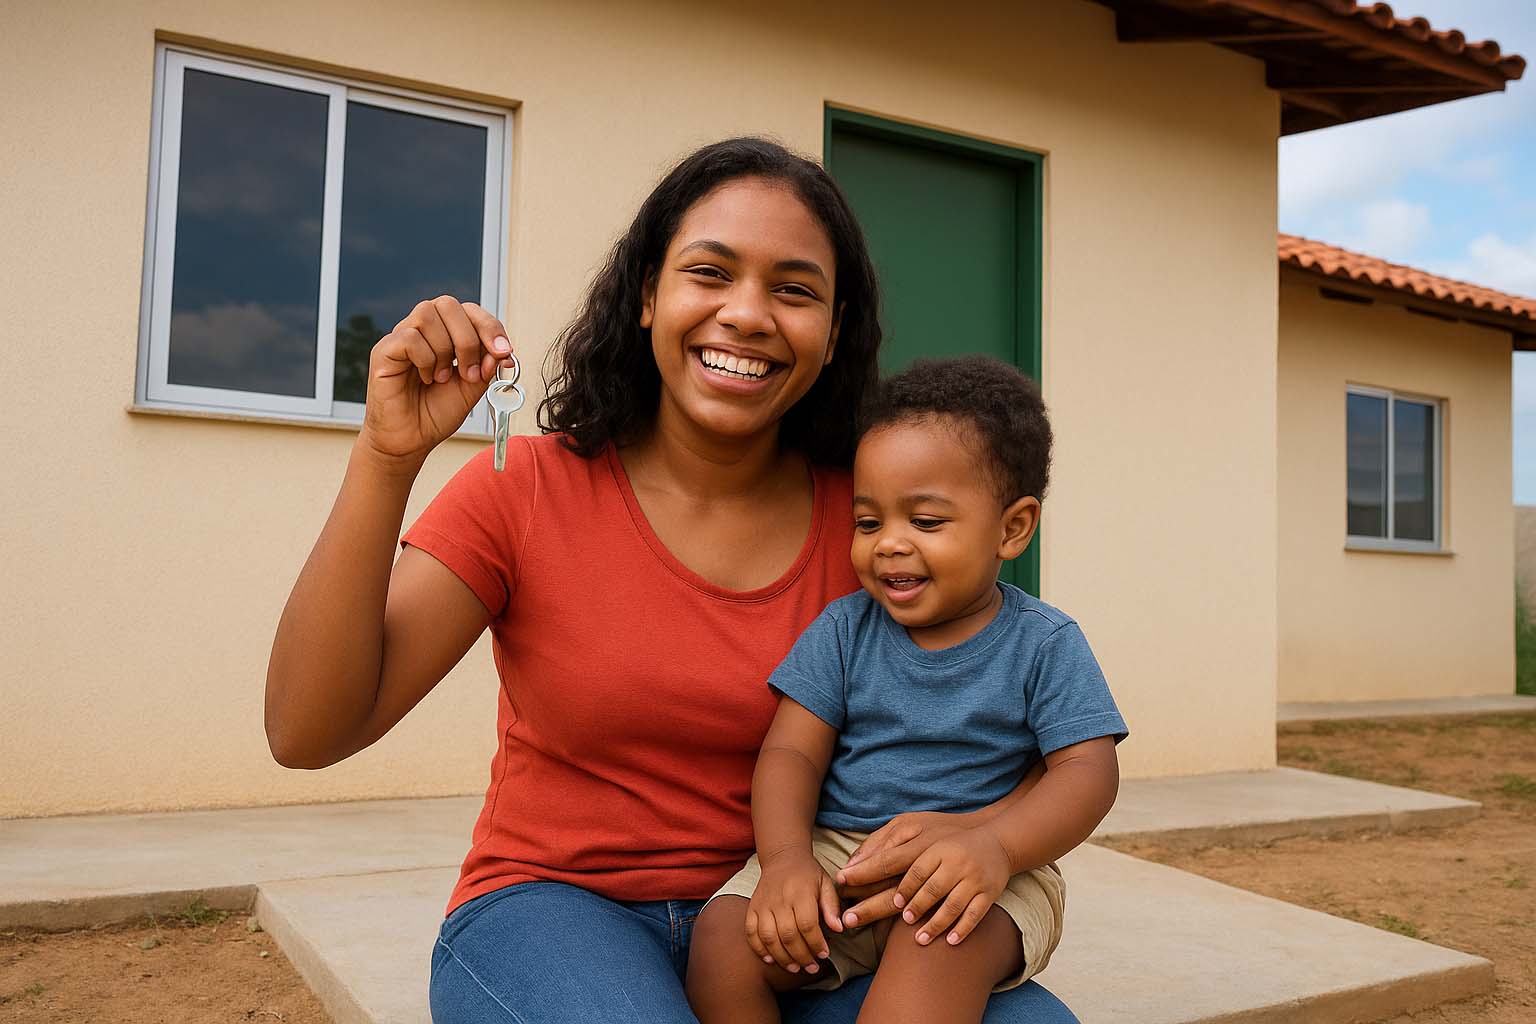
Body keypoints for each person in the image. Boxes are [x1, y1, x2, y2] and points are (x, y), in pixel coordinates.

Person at [264, 137, 1082, 1023]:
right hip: (557, 911)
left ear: (834, 331)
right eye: (710, 272)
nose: (747, 313)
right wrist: (389, 456)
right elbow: (308, 729)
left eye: (795, 289)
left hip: (799, 924)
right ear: (648, 294)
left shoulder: (876, 526)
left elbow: (1019, 713)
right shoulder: (527, 488)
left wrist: (981, 843)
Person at [683, 356, 1128, 1024]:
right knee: (722, 942)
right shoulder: (843, 631)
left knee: (937, 948)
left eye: (925, 522)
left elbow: (1088, 772)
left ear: (1012, 528)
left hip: (986, 872)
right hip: (844, 856)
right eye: (868, 522)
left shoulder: (1043, 643)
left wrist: (999, 847)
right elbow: (789, 757)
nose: (888, 545)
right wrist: (785, 862)